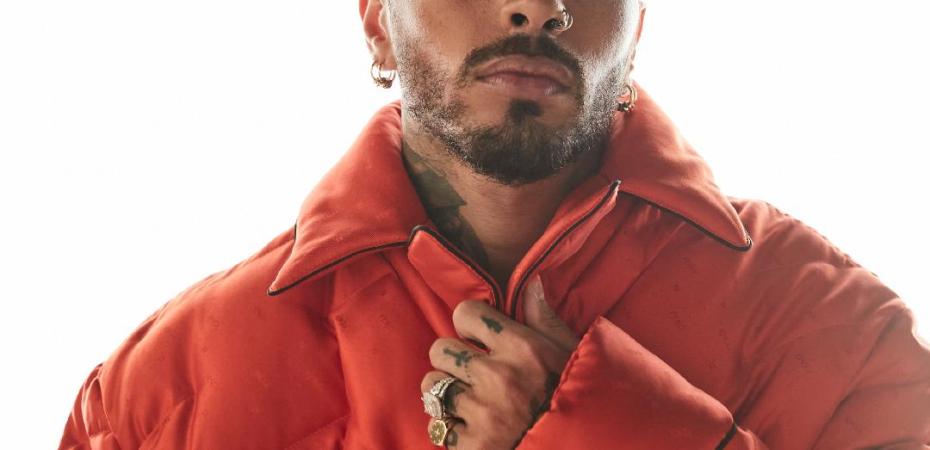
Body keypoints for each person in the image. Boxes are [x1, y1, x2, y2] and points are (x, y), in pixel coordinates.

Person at [60, 0, 930, 449]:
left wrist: (601, 431)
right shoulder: (164, 391)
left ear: (635, 31)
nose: (534, 5)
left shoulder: (831, 328)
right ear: (378, 23)